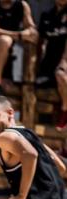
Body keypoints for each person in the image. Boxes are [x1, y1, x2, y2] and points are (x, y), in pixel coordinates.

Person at [0, 0, 37, 97]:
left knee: (7, 89)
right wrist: (20, 35)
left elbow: (31, 29)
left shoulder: (22, 5)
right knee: (5, 40)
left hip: (7, 55)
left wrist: (30, 33)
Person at [37, 0, 67, 130]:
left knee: (61, 76)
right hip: (47, 67)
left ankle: (65, 113)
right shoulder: (47, 15)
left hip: (63, 65)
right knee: (36, 92)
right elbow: (40, 42)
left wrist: (64, 62)